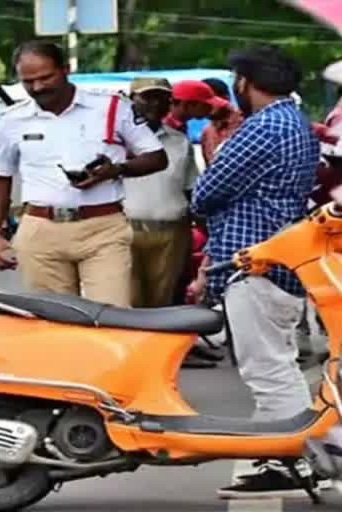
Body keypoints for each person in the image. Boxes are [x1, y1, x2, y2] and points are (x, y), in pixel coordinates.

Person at [190, 46, 322, 499]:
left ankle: (286, 461)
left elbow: (205, 192)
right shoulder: (294, 122)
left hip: (255, 261)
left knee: (266, 368)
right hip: (276, 259)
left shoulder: (263, 127)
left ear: (245, 81)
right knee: (275, 362)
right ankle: (297, 453)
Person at [0, 40, 168, 306]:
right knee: (52, 325)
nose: (37, 87)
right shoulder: (12, 119)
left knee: (111, 318)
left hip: (103, 229)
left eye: (46, 77)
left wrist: (115, 170)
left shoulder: (111, 107)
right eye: (28, 81)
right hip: (39, 231)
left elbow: (157, 157)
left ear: (66, 69)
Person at [124, 77, 197, 308]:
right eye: (148, 97)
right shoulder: (115, 139)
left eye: (163, 98)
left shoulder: (179, 141)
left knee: (163, 304)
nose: (155, 104)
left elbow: (190, 188)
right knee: (129, 303)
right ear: (131, 100)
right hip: (125, 232)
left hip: (171, 233)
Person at [200, 77, 244, 166]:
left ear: (225, 99)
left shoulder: (245, 125)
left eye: (207, 102)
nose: (202, 107)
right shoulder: (207, 132)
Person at [164, 80, 229, 135]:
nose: (211, 108)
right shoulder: (164, 128)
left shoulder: (179, 124)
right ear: (187, 104)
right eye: (206, 105)